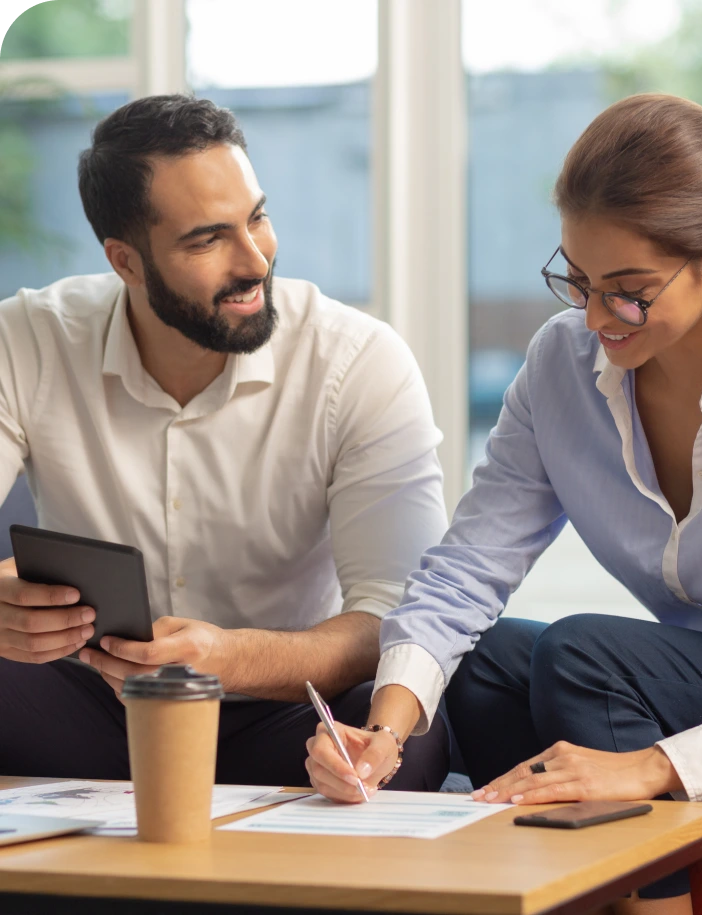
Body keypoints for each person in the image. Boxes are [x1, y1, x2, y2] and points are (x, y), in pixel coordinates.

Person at [306, 91, 702, 913]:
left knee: (585, 655)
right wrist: (385, 730)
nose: (594, 317)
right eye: (576, 279)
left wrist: (657, 765)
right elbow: (467, 572)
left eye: (627, 290)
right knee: (488, 665)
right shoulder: (562, 365)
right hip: (698, 672)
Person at [0, 94, 451, 790]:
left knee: (408, 735)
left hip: (284, 715)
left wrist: (231, 656)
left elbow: (397, 610)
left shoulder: (357, 360)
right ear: (126, 261)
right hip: (89, 710)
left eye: (258, 218)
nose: (255, 260)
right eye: (206, 239)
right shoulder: (28, 338)